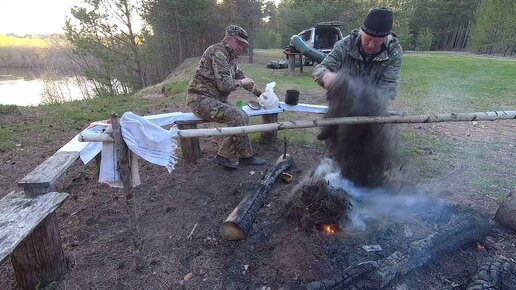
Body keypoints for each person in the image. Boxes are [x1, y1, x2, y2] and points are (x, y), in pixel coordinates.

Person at [187, 25, 266, 170]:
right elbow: (225, 85)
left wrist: (260, 94)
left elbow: (241, 77)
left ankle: (223, 155)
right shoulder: (217, 52)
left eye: (243, 44)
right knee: (237, 116)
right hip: (200, 99)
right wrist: (241, 82)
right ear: (229, 39)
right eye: (239, 43)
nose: (241, 47)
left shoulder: (231, 58)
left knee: (243, 116)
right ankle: (246, 157)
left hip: (215, 99)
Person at [312, 7, 402, 100]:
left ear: (386, 38)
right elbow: (320, 68)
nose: (371, 45)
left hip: (374, 104)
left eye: (377, 41)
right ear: (361, 32)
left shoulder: (393, 51)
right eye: (367, 39)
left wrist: (367, 99)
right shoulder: (345, 45)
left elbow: (389, 88)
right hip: (342, 101)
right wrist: (327, 77)